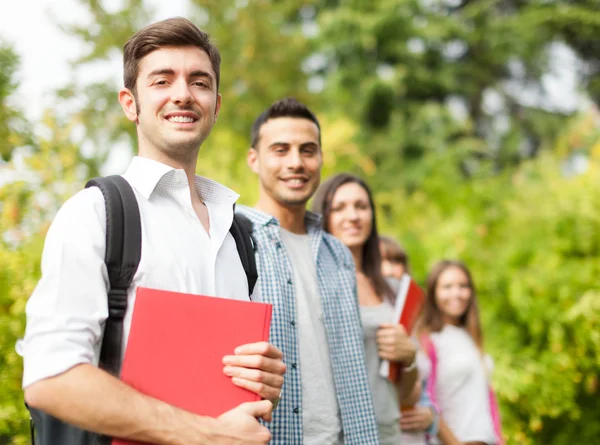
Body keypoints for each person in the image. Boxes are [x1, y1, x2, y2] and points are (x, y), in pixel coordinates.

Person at [19, 18, 285, 445]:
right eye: (163, 80)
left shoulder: (238, 234)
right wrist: (208, 434)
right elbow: (51, 376)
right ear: (130, 104)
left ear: (215, 106)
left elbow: (225, 381)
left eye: (199, 82)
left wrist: (262, 376)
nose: (183, 93)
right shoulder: (96, 214)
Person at [236, 98, 380, 445]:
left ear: (321, 159)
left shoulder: (338, 253)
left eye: (308, 150)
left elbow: (352, 368)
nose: (296, 163)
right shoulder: (231, 239)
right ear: (254, 160)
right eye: (281, 150)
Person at [311, 173, 420, 444]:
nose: (353, 216)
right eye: (339, 208)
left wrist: (409, 358)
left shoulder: (393, 290)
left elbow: (405, 394)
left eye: (361, 206)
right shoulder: (309, 282)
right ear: (323, 215)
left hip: (388, 431)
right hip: (335, 436)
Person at [418, 260, 503, 445]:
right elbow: (426, 399)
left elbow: (486, 402)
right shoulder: (428, 339)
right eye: (447, 287)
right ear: (433, 292)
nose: (456, 293)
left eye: (463, 286)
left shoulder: (471, 337)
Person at [378, 234, 439, 445]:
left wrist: (431, 417)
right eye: (380, 261)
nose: (389, 269)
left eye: (396, 261)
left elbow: (428, 389)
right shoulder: (369, 318)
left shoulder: (416, 323)